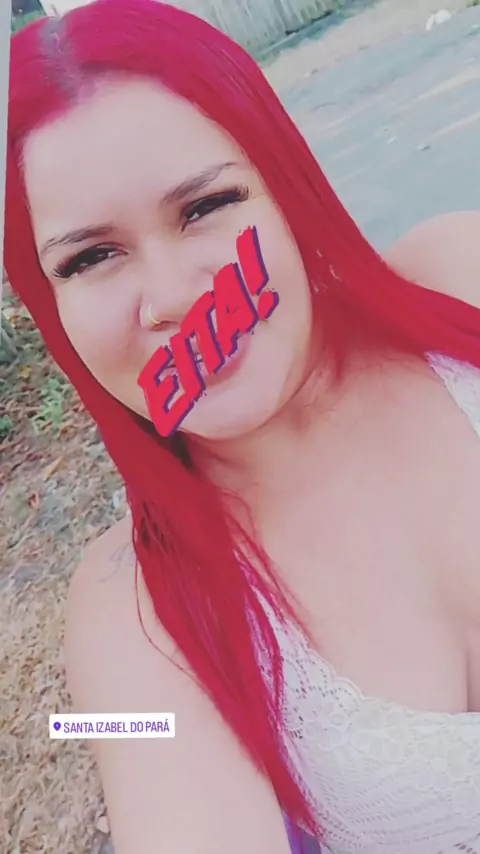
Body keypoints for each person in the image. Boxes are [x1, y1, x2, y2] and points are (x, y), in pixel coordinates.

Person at [5, 1, 480, 852]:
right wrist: (109, 729)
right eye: (91, 257)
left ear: (286, 186)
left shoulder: (461, 281)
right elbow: (150, 756)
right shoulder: (134, 614)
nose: (173, 298)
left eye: (206, 205)